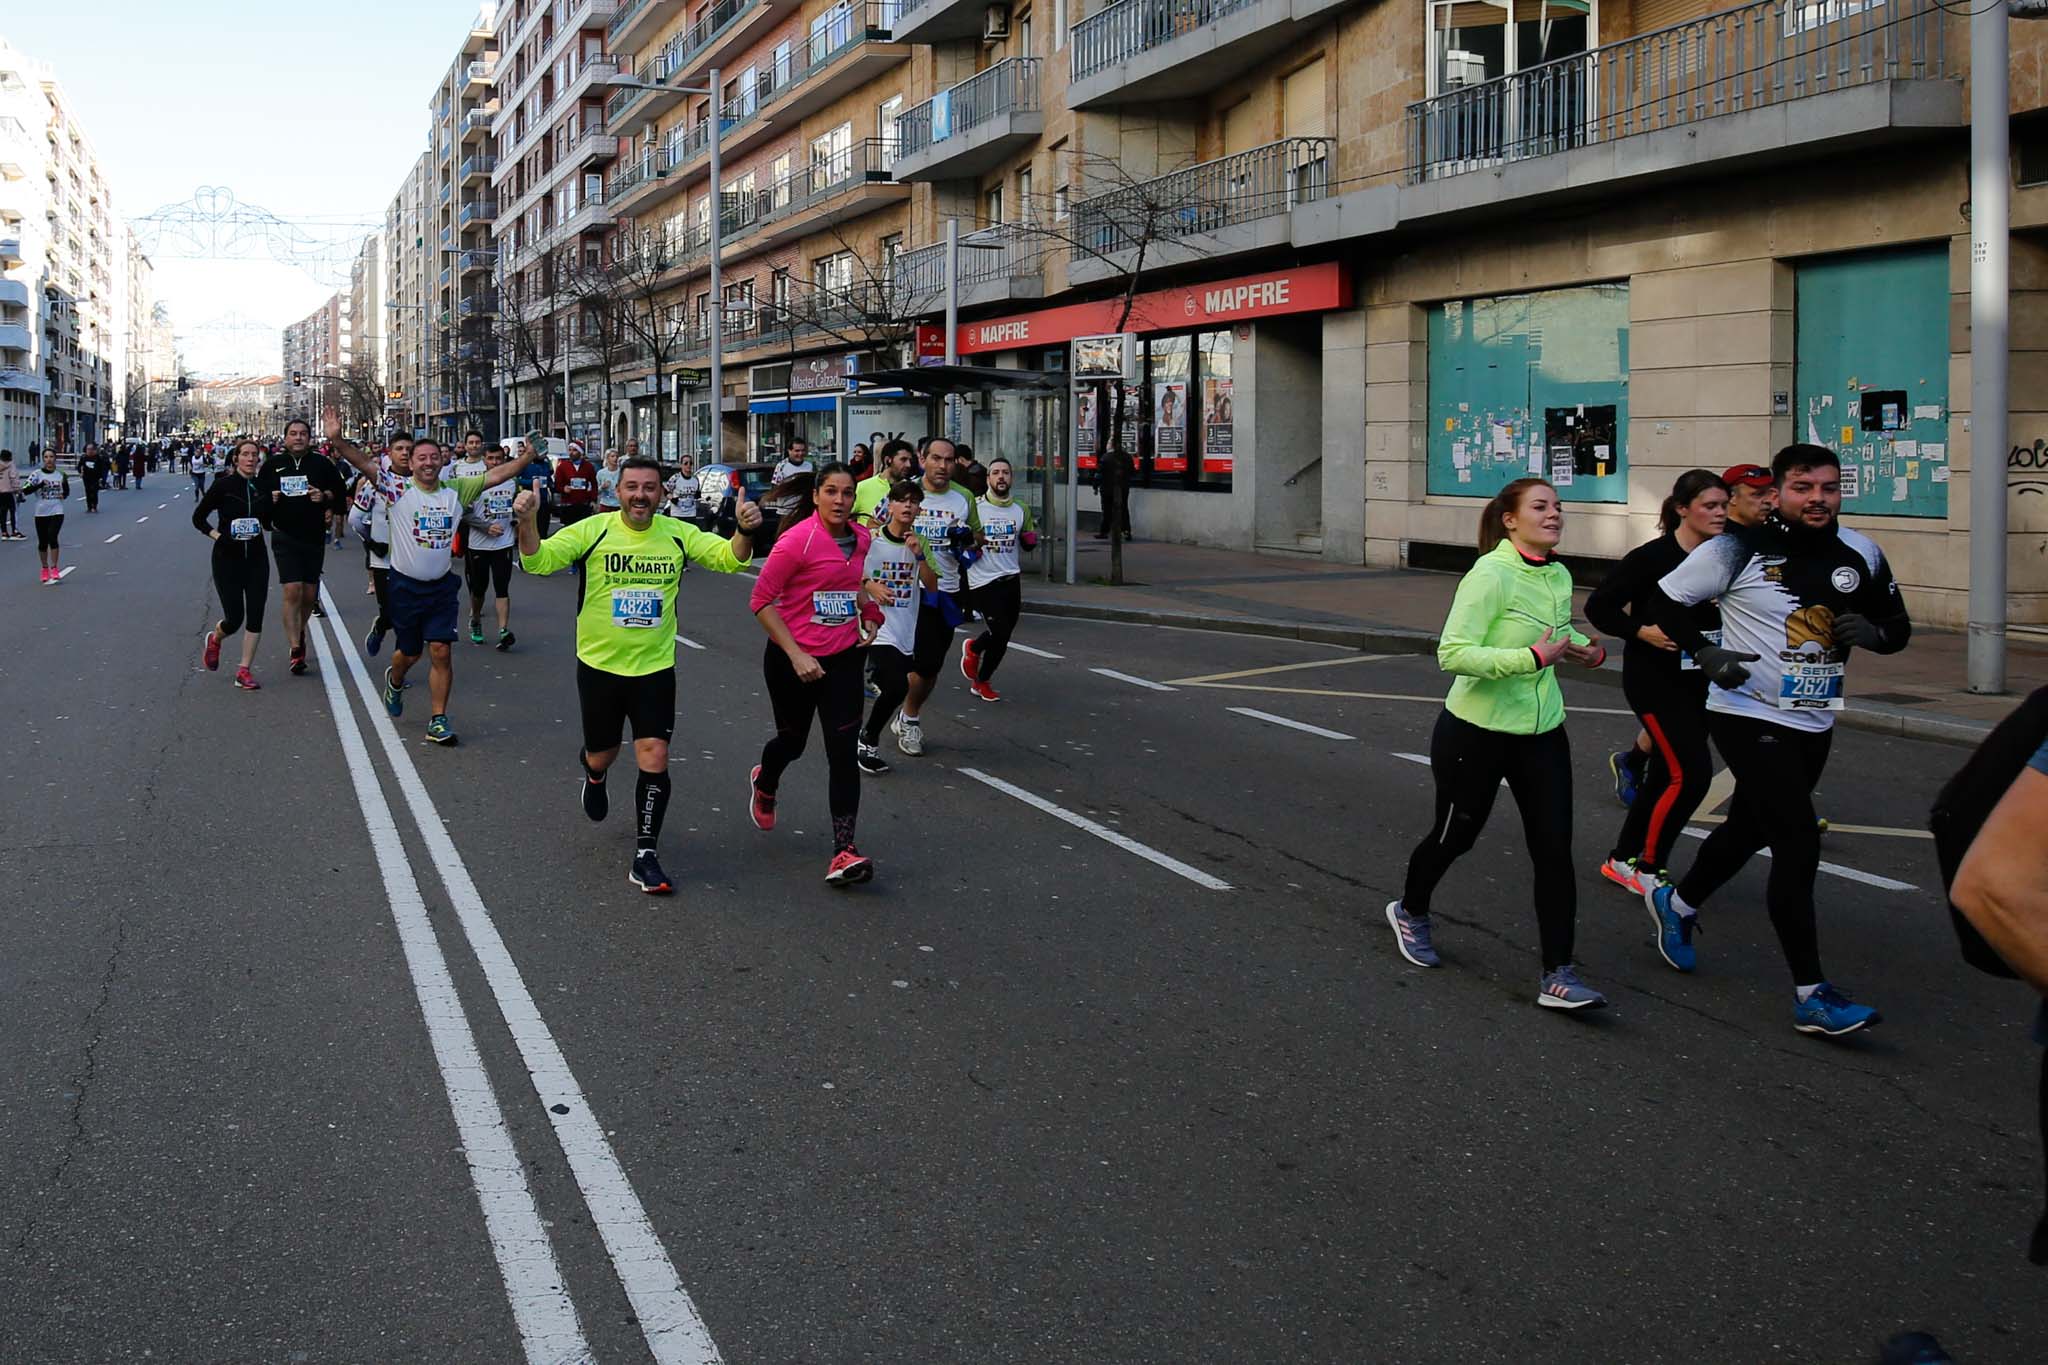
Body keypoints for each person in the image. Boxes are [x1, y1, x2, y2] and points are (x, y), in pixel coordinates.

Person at [1649, 444, 1911, 1034]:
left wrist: (1873, 633)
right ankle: (1812, 995)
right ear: (1778, 493)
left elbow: (1898, 630)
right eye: (1802, 487)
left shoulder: (1862, 553)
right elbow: (1663, 601)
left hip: (1814, 713)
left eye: (1828, 487)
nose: (1817, 498)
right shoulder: (1735, 547)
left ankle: (1680, 902)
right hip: (1744, 709)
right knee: (1797, 842)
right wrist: (1705, 650)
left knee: (1749, 826)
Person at [1385, 477, 1611, 1010]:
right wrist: (1531, 659)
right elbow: (1454, 653)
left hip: (1542, 734)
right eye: (1541, 506)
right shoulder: (1489, 574)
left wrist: (1581, 649)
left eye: (1558, 506)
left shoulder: (1556, 571)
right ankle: (1410, 910)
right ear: (1510, 519)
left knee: (1554, 851)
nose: (1554, 514)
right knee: (1454, 837)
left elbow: (1548, 631)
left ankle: (1558, 972)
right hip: (1475, 733)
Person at [515, 457, 762, 894]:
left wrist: (744, 530)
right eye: (632, 487)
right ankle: (593, 774)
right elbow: (538, 562)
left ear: (662, 494)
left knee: (654, 755)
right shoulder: (595, 530)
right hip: (600, 666)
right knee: (602, 753)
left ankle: (645, 853)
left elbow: (729, 561)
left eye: (649, 488)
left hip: (654, 668)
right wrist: (528, 521)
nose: (640, 496)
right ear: (618, 491)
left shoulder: (677, 535)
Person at [326, 411, 537, 746]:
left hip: (440, 588)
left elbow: (498, 475)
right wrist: (337, 440)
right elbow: (365, 463)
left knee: (440, 650)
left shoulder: (456, 489)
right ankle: (394, 681)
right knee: (409, 654)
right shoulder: (396, 488)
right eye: (421, 458)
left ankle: (438, 719)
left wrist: (527, 456)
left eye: (433, 457)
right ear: (411, 464)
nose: (427, 463)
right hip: (405, 586)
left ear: (442, 461)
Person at [1583, 470, 1729, 906]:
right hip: (1654, 681)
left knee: (1666, 773)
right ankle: (1645, 866)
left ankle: (1623, 857)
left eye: (1724, 505)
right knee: (1693, 774)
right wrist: (1639, 632)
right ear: (1682, 509)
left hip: (1701, 682)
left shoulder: (1728, 556)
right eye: (1710, 506)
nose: (1720, 513)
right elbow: (1599, 606)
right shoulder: (1651, 558)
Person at [747, 462, 880, 885]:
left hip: (842, 659)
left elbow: (851, 583)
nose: (841, 501)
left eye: (847, 493)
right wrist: (796, 654)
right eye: (832, 492)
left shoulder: (860, 539)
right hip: (792, 660)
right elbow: (761, 601)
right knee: (793, 742)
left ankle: (844, 850)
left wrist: (871, 612)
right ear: (817, 496)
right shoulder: (796, 542)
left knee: (842, 753)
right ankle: (765, 781)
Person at [893, 437, 980, 757]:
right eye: (936, 459)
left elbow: (976, 540)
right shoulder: (905, 491)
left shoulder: (964, 497)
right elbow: (877, 528)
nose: (943, 466)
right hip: (904, 588)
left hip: (944, 590)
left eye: (949, 460)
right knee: (901, 661)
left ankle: (907, 714)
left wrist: (966, 542)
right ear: (922, 458)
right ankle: (910, 720)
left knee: (929, 667)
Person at [254, 417, 350, 676]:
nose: (298, 438)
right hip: (284, 534)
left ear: (309, 438)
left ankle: (300, 630)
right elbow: (257, 498)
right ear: (285, 438)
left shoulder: (321, 464)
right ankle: (295, 648)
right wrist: (268, 500)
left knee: (309, 595)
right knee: (291, 590)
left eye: (303, 434)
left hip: (313, 535)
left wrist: (325, 497)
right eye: (293, 433)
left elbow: (340, 493)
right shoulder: (273, 465)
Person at [857, 480, 937, 775]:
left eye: (913, 502)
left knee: (894, 685)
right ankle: (868, 740)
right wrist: (869, 585)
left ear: (919, 509)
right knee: (898, 686)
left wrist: (918, 556)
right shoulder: (870, 539)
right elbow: (848, 572)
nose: (907, 506)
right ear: (889, 505)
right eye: (901, 500)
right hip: (876, 626)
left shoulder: (919, 542)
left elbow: (932, 586)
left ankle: (868, 725)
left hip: (906, 629)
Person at [193, 438, 272, 690]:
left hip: (257, 558)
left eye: (254, 454)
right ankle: (216, 637)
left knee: (256, 614)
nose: (250, 459)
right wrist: (219, 537)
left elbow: (269, 522)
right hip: (227, 559)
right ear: (235, 458)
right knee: (235, 618)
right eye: (245, 454)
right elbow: (198, 518)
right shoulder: (223, 486)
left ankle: (244, 670)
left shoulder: (263, 487)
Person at [961, 456, 1035, 703]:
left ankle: (974, 648)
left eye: (1005, 472)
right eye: (996, 473)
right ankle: (982, 681)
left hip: (1010, 577)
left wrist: (1029, 539)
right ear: (988, 478)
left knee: (1004, 633)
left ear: (1011, 478)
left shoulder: (1020, 509)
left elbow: (1028, 539)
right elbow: (961, 543)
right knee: (1001, 632)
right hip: (982, 580)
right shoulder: (976, 508)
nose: (1001, 477)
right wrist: (971, 548)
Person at [350, 435, 412, 657]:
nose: (405, 453)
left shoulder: (423, 483)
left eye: (409, 449)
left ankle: (399, 666)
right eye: (399, 449)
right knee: (390, 612)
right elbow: (355, 519)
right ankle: (381, 625)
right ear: (390, 454)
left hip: (413, 561)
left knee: (407, 614)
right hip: (383, 560)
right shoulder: (376, 484)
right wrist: (372, 542)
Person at [463, 445, 520, 650]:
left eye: (498, 458)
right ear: (484, 460)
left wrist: (517, 519)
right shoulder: (475, 484)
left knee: (502, 587)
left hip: (503, 544)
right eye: (491, 458)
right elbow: (464, 513)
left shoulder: (512, 483)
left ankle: (503, 630)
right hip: (478, 545)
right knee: (479, 589)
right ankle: (476, 619)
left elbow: (516, 508)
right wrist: (486, 527)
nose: (495, 462)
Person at [23, 452, 70, 583]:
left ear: (55, 459)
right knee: (43, 542)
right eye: (46, 457)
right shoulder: (37, 474)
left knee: (52, 536)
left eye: (51, 457)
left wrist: (63, 495)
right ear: (43, 459)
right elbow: (25, 490)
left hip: (57, 509)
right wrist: (39, 485)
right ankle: (44, 568)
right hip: (41, 511)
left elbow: (66, 491)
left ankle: (54, 567)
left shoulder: (61, 475)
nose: (49, 460)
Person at [854, 440, 915, 526]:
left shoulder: (912, 489)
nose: (908, 465)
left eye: (910, 460)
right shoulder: (862, 487)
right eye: (903, 459)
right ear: (888, 460)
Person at [552, 441, 600, 526]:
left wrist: (593, 500)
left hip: (584, 505)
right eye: (569, 450)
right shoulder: (562, 466)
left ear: (580, 452)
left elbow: (594, 485)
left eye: (574, 450)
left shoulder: (588, 466)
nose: (571, 452)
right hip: (568, 505)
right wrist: (563, 488)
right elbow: (557, 485)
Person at [664, 454, 700, 523]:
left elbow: (697, 494)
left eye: (691, 463)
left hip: (691, 514)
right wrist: (672, 498)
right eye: (686, 463)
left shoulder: (695, 479)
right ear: (681, 465)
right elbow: (665, 491)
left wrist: (697, 496)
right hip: (677, 514)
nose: (688, 465)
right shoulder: (675, 478)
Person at [0, 449, 21, 541]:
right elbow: (14, 478)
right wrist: (18, 490)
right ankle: (14, 531)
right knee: (12, 511)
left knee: (2, 513)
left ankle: (4, 532)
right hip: (9, 492)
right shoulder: (11, 465)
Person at [595, 448, 622, 514]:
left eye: (617, 456)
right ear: (607, 458)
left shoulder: (622, 472)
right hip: (605, 504)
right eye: (612, 456)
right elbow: (595, 491)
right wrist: (602, 487)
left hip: (619, 505)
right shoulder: (601, 473)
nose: (615, 458)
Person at [79, 443, 101, 513]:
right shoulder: (84, 458)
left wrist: (101, 477)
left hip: (95, 477)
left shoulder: (98, 458)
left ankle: (94, 506)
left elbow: (102, 467)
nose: (89, 451)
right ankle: (89, 506)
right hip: (86, 477)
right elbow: (79, 466)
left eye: (91, 449)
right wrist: (80, 472)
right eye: (88, 449)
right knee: (88, 491)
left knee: (94, 491)